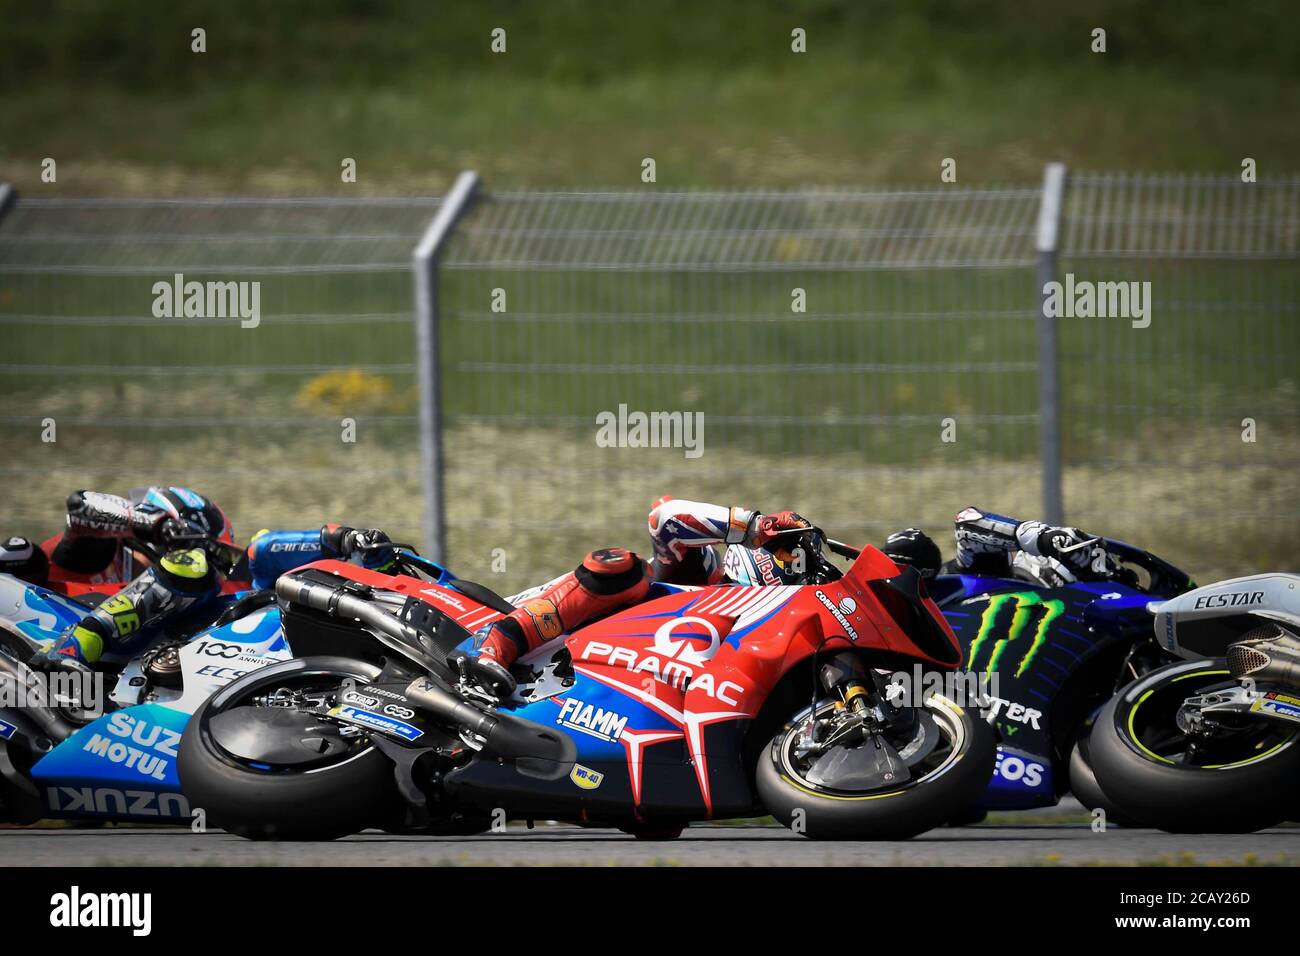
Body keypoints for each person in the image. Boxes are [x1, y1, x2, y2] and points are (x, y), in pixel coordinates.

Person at [468, 498, 1110, 695]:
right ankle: (499, 641)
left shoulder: (833, 622)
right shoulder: (752, 559)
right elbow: (665, 517)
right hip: (613, 627)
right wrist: (750, 525)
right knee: (622, 566)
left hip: (678, 676)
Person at [10, 486, 393, 671]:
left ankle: (349, 547)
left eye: (216, 550)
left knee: (260, 560)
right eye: (205, 547)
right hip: (54, 628)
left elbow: (257, 564)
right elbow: (81, 504)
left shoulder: (212, 584)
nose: (213, 561)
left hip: (154, 662)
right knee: (190, 571)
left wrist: (349, 547)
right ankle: (72, 653)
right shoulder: (98, 552)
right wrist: (153, 525)